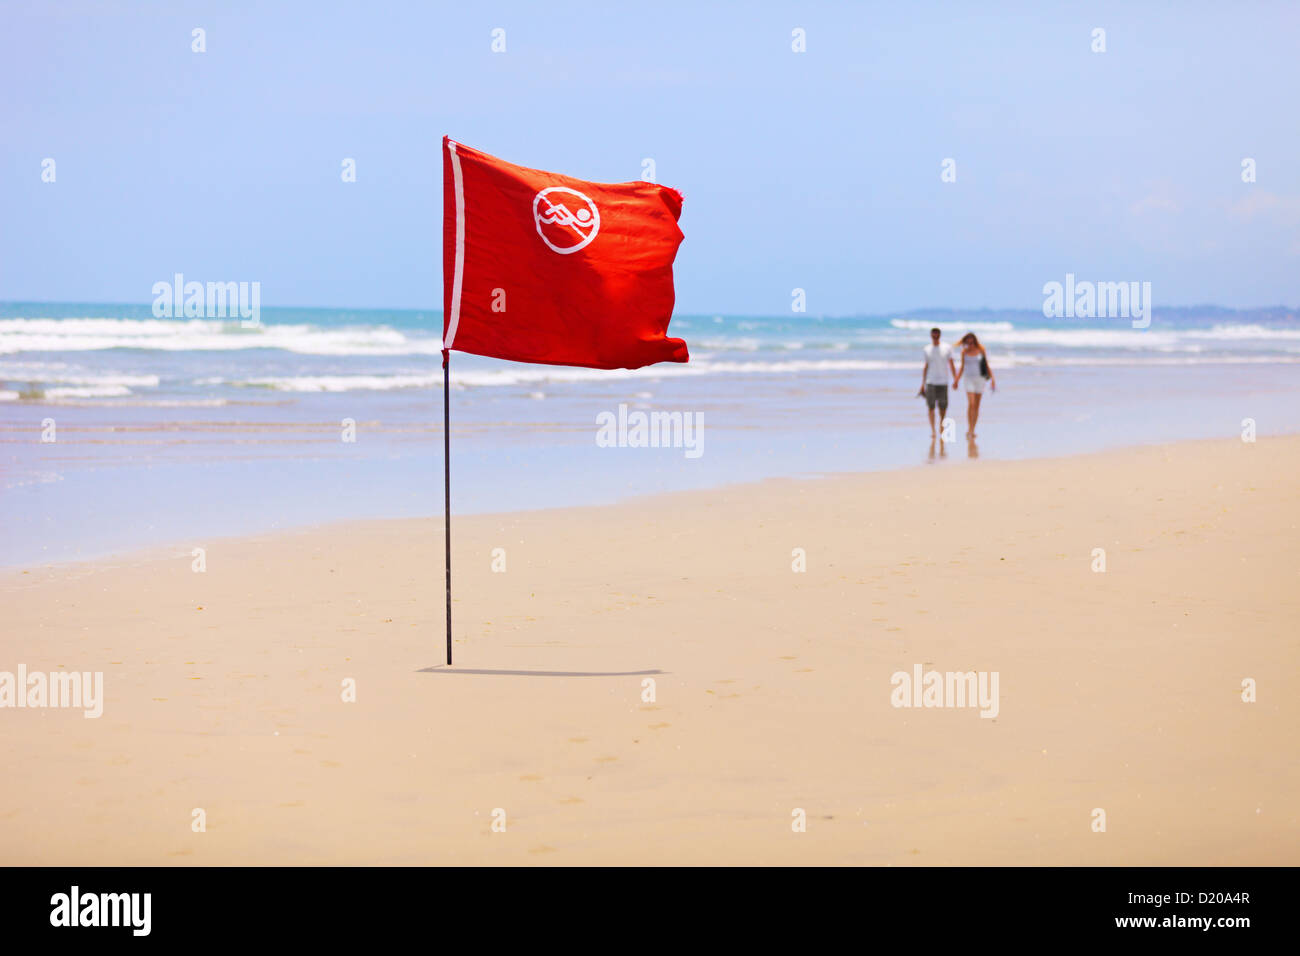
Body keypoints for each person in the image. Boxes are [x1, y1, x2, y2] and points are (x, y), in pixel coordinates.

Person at [952, 332, 996, 439]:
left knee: (976, 406)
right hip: (968, 379)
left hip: (980, 380)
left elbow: (986, 365)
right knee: (971, 404)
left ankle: (972, 429)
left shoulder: (981, 350)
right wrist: (956, 380)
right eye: (968, 342)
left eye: (972, 342)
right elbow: (962, 367)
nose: (970, 345)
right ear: (966, 342)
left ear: (974, 341)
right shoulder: (964, 352)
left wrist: (992, 379)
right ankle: (969, 428)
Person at [917, 327, 957, 437]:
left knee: (943, 407)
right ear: (931, 335)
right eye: (933, 335)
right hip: (930, 381)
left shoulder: (947, 348)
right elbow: (926, 366)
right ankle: (933, 430)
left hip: (943, 381)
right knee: (931, 407)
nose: (935, 336)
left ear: (939, 335)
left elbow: (951, 364)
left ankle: (941, 426)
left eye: (937, 335)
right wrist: (922, 384)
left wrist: (955, 379)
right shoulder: (927, 349)